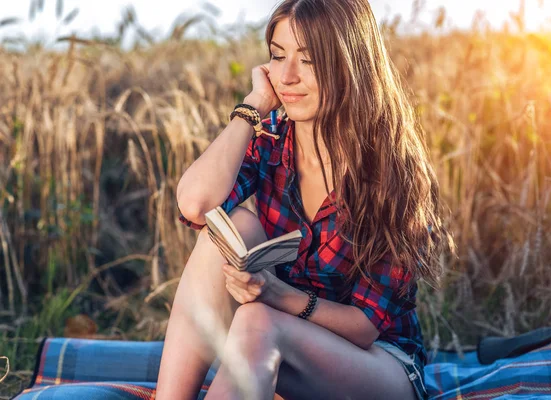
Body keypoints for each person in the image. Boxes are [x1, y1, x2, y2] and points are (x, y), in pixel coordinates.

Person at [156, 0, 454, 399]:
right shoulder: (272, 139)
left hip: (378, 363)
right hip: (277, 338)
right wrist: (252, 109)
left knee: (259, 323)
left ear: (350, 64)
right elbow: (194, 205)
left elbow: (365, 327)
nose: (287, 77)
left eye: (309, 60)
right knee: (229, 232)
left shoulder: (392, 174)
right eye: (278, 57)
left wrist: (276, 295)